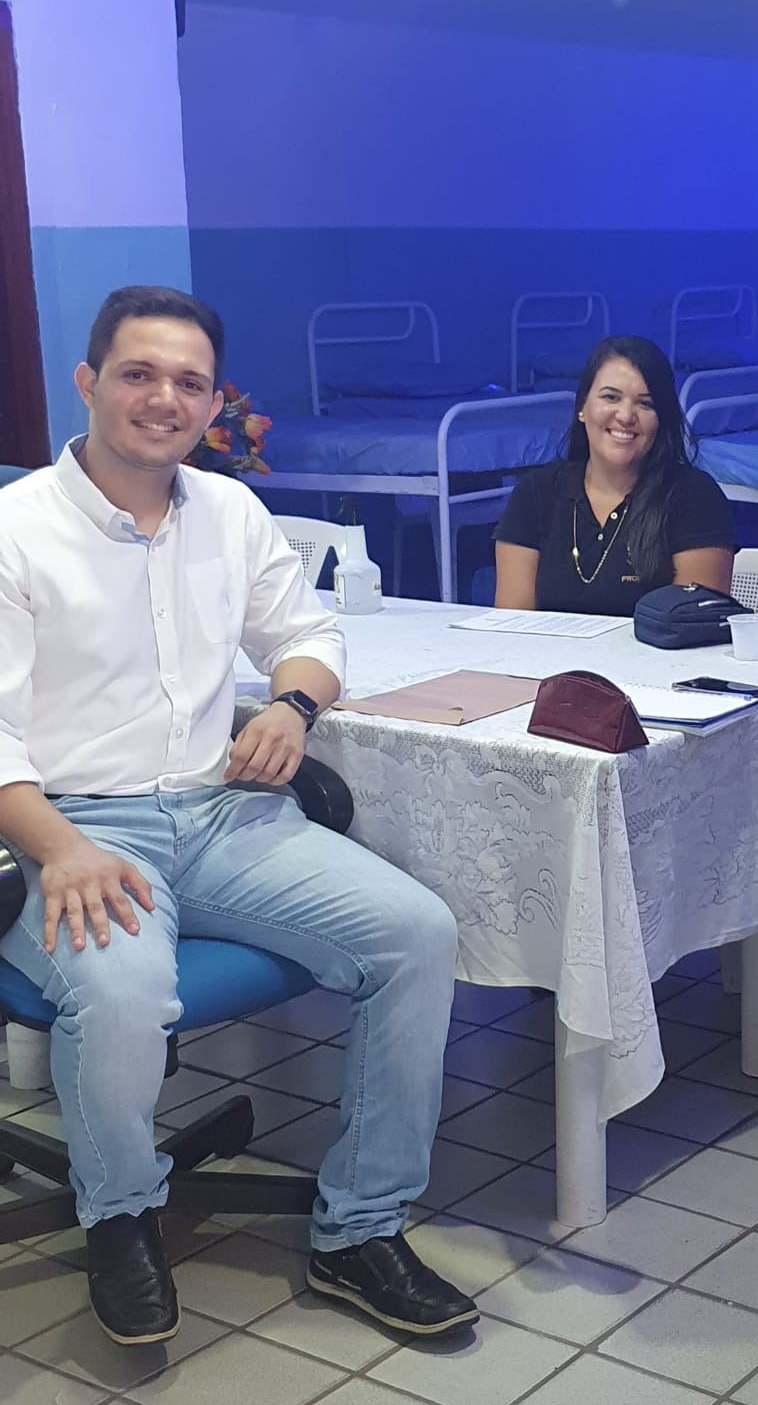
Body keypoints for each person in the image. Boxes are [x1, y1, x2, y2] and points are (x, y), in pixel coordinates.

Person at [0, 287, 477, 1346]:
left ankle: (360, 1228)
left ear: (214, 403)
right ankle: (120, 1217)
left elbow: (310, 635)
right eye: (138, 373)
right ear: (87, 382)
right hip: (76, 823)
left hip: (222, 815)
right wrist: (59, 849)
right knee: (123, 990)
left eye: (189, 382)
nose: (163, 399)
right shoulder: (16, 529)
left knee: (417, 933)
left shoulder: (229, 511)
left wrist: (293, 707)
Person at [494, 335, 737, 616]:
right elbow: (511, 623)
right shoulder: (535, 492)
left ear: (661, 419)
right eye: (611, 397)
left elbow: (692, 625)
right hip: (544, 647)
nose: (625, 415)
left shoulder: (695, 497)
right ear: (582, 407)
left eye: (645, 404)